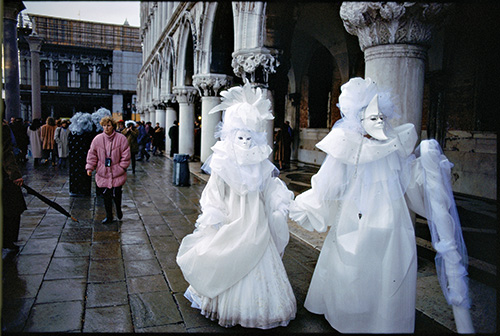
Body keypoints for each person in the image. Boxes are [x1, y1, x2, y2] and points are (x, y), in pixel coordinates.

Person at [289, 77, 473, 333]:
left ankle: (381, 322)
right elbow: (328, 183)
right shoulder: (348, 146)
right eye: (371, 117)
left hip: (392, 217)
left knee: (387, 270)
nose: (378, 123)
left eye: (381, 117)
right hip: (356, 215)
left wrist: (429, 168)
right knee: (354, 268)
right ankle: (350, 318)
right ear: (357, 118)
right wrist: (308, 204)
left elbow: (408, 179)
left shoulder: (394, 146)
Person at [177, 82, 296, 329]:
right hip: (232, 220)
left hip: (256, 222)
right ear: (231, 136)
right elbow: (213, 193)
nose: (244, 142)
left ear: (256, 137)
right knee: (225, 254)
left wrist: (279, 203)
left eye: (249, 137)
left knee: (259, 260)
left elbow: (270, 188)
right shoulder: (222, 164)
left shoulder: (261, 163)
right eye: (239, 137)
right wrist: (214, 216)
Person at [86, 116, 131, 223]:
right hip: (103, 172)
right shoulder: (97, 139)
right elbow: (92, 154)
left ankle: (118, 209)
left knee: (117, 194)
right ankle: (109, 216)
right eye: (104, 125)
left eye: (108, 125)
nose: (106, 128)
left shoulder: (121, 138)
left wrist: (121, 167)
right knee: (106, 195)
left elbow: (126, 154)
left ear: (113, 126)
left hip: (117, 172)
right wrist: (90, 167)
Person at [2, 121, 27, 253]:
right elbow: (6, 153)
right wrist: (15, 175)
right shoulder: (3, 128)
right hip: (5, 177)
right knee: (12, 208)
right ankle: (8, 239)